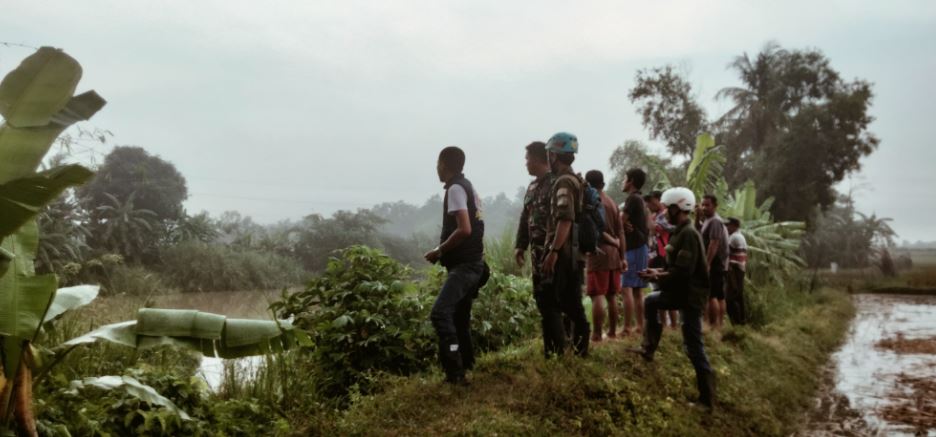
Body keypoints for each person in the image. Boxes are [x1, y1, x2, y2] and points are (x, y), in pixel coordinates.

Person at [629, 187, 717, 409]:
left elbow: (682, 272)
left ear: (678, 208)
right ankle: (649, 348)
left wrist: (658, 274)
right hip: (682, 292)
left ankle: (707, 399)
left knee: (693, 345)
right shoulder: (680, 231)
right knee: (651, 301)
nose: (665, 212)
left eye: (668, 208)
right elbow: (675, 268)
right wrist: (655, 273)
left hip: (689, 296)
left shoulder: (687, 234)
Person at [424, 146, 488, 385]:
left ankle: (455, 373)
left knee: (440, 313)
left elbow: (465, 229)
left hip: (465, 266)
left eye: (437, 163)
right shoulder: (468, 186)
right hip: (474, 263)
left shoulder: (455, 189)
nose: (436, 169)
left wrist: (439, 251)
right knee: (460, 316)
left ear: (443, 164)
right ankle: (468, 363)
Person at [538, 132, 590, 357]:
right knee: (572, 303)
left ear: (553, 155)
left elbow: (565, 219)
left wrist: (553, 252)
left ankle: (559, 352)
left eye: (549, 154)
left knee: (550, 302)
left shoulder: (564, 182)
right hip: (572, 253)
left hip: (565, 253)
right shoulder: (575, 179)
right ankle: (579, 351)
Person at [514, 140, 555, 321]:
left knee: (556, 296)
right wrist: (520, 246)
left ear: (538, 159)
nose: (526, 163)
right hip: (536, 253)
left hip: (553, 252)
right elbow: (525, 217)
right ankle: (553, 342)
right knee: (541, 296)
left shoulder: (555, 183)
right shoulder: (531, 187)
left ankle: (567, 342)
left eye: (527, 159)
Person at [584, 170, 626, 342]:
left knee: (597, 295)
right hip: (614, 254)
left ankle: (596, 334)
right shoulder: (612, 203)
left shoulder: (592, 202)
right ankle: (612, 333)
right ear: (603, 184)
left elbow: (594, 230)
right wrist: (622, 257)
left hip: (598, 253)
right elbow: (621, 233)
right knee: (611, 295)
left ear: (587, 184)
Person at [619, 168, 649, 335]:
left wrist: (621, 222)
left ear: (630, 181)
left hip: (635, 247)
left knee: (628, 288)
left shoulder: (632, 199)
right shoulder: (639, 199)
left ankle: (627, 328)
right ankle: (640, 326)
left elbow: (620, 220)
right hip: (640, 246)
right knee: (637, 290)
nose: (622, 182)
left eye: (624, 178)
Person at [646, 190, 679, 328]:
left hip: (663, 254)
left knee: (665, 289)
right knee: (656, 289)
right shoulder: (654, 215)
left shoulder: (665, 216)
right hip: (654, 254)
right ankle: (664, 324)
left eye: (652, 201)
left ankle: (672, 325)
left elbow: (670, 229)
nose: (650, 205)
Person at [698, 194, 728, 330]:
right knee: (719, 295)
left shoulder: (715, 221)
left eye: (707, 205)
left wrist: (707, 263)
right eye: (702, 204)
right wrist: (698, 217)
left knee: (712, 295)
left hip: (715, 262)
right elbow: (699, 232)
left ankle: (713, 325)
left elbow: (714, 243)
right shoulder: (708, 220)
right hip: (716, 262)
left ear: (715, 206)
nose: (704, 207)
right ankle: (719, 325)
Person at [725, 217, 748, 325]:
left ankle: (736, 322)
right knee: (738, 296)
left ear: (734, 226)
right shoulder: (740, 236)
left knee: (730, 298)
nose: (726, 227)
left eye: (728, 225)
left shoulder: (733, 237)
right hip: (740, 269)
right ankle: (742, 321)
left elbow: (725, 251)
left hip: (734, 270)